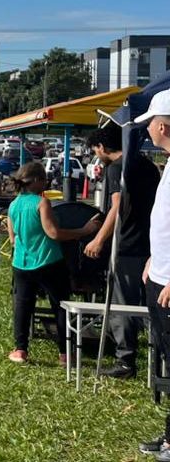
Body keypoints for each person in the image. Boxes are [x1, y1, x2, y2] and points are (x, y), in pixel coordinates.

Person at [82, 123, 160, 378]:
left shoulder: (117, 168)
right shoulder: (147, 165)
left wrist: (99, 240)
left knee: (122, 303)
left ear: (102, 147)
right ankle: (159, 355)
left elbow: (116, 206)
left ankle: (125, 360)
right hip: (151, 244)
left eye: (96, 150)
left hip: (127, 244)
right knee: (150, 303)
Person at [5, 161, 97, 364]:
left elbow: (12, 238)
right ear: (37, 181)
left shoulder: (13, 205)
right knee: (60, 305)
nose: (46, 184)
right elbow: (53, 233)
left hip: (21, 262)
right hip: (48, 261)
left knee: (23, 305)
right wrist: (84, 231)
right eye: (45, 180)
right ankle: (65, 353)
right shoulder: (41, 203)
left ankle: (20, 350)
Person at [135, 91, 170, 459]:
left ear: (162, 125)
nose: (147, 129)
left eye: (149, 123)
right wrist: (153, 258)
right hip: (157, 274)